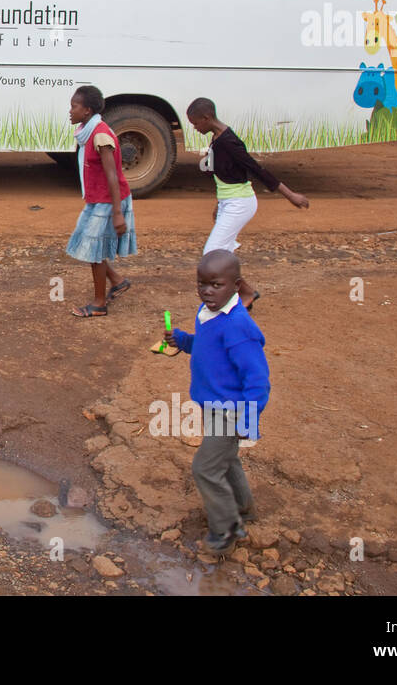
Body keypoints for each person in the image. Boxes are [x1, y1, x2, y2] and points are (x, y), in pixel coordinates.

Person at [163, 249, 269, 554]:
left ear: (237, 286)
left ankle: (226, 530)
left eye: (216, 284)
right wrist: (182, 340)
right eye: (202, 283)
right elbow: (207, 346)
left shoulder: (238, 327)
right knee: (227, 459)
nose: (207, 291)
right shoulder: (207, 311)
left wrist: (247, 419)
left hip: (231, 411)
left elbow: (258, 380)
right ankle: (244, 509)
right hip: (212, 405)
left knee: (205, 469)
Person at [186, 97, 309, 310]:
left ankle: (244, 293)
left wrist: (290, 195)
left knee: (211, 254)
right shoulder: (216, 137)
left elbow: (257, 170)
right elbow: (225, 175)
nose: (195, 128)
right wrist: (219, 203)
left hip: (240, 203)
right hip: (229, 202)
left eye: (196, 123)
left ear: (206, 118)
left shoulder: (229, 142)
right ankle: (245, 294)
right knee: (223, 254)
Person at [65, 85, 135, 317]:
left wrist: (117, 212)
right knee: (91, 246)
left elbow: (112, 175)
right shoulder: (88, 130)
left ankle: (99, 304)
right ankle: (117, 280)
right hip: (98, 199)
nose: (70, 110)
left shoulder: (101, 135)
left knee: (94, 251)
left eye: (74, 106)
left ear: (87, 110)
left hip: (108, 201)